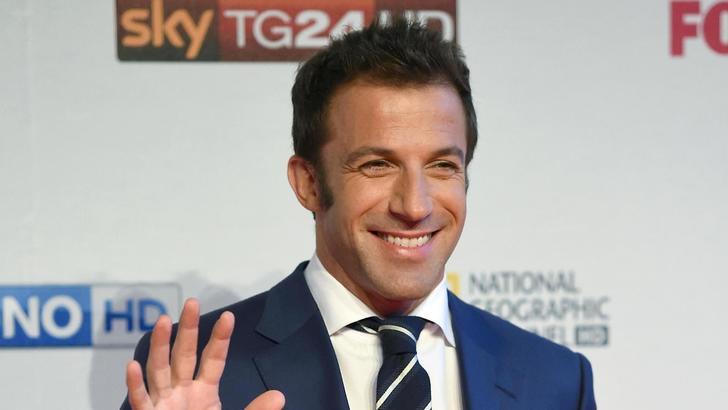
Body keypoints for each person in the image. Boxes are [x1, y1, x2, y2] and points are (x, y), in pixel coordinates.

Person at [122, 17, 596, 410]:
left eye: (442, 166)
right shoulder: (194, 371)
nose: (415, 206)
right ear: (309, 183)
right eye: (377, 165)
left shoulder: (554, 380)